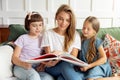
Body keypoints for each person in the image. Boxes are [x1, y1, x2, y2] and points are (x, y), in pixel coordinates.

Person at [39, 4, 81, 80]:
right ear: (56, 17)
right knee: (64, 66)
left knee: (61, 78)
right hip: (52, 67)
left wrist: (61, 53)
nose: (63, 23)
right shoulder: (48, 34)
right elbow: (50, 58)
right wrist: (58, 58)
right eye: (61, 19)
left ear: (71, 21)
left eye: (67, 20)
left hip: (68, 67)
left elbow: (73, 58)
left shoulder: (75, 35)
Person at [12, 12, 54, 80]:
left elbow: (45, 55)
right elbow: (14, 58)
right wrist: (23, 64)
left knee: (48, 78)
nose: (38, 28)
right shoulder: (23, 38)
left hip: (36, 67)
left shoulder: (43, 39)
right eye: (34, 26)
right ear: (28, 26)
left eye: (40, 25)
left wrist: (42, 65)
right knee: (34, 76)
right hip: (21, 67)